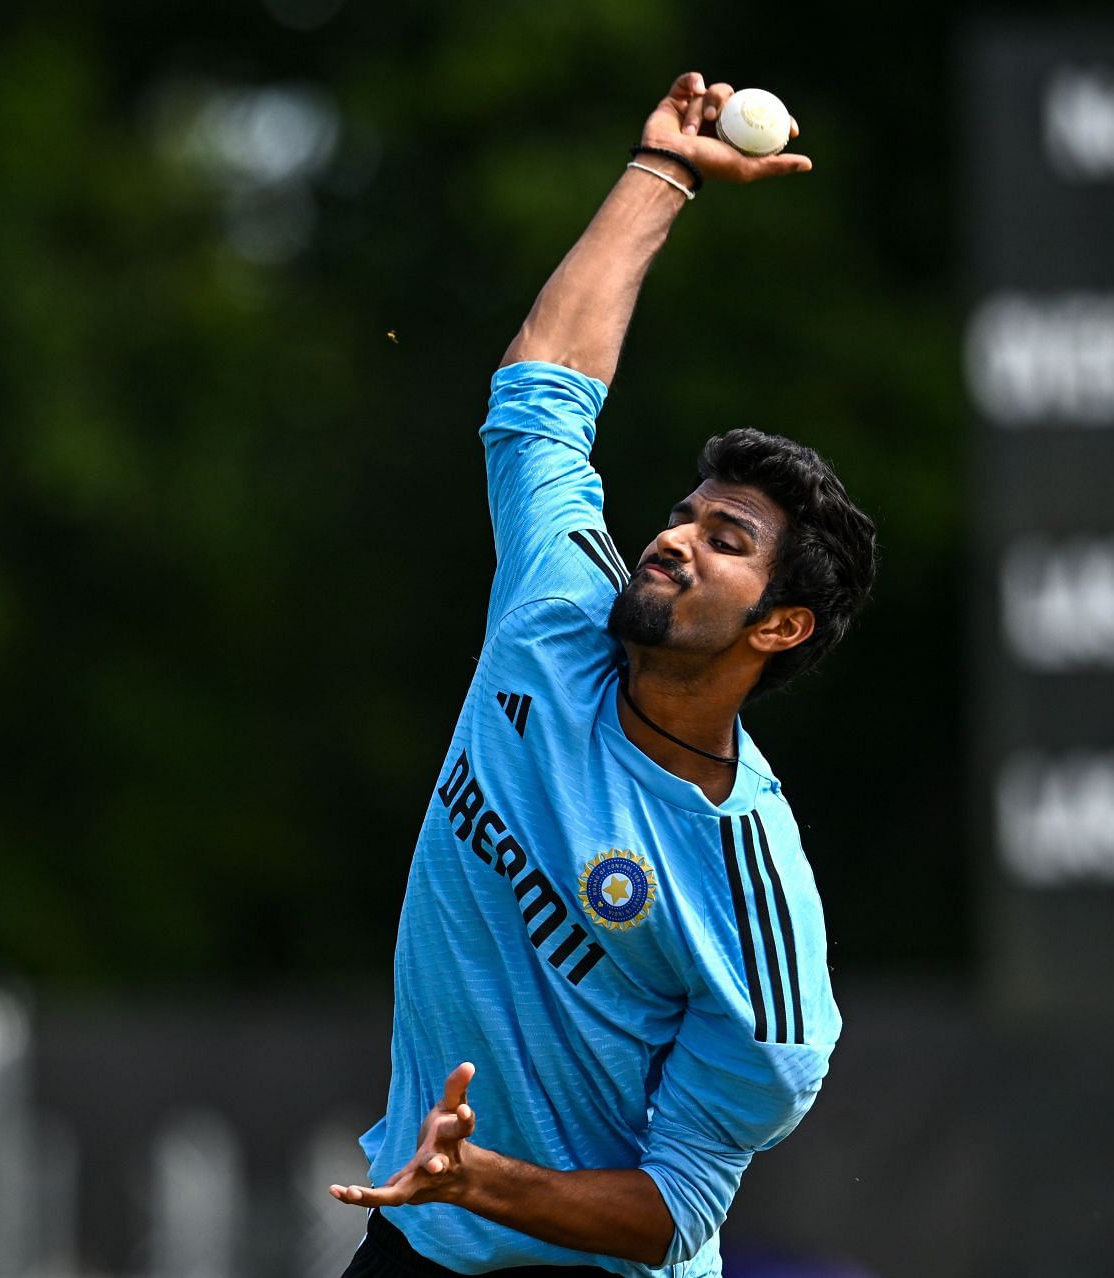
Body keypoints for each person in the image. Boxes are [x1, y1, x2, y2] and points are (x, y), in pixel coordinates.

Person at [328, 72, 878, 1275]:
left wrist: (489, 1182)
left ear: (779, 629)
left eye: (725, 542)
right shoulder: (558, 610)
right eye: (685, 514)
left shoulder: (755, 907)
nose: (674, 536)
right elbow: (541, 400)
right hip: (421, 1239)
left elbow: (678, 1210)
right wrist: (662, 171)